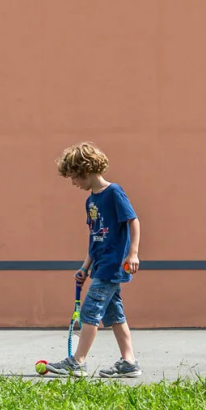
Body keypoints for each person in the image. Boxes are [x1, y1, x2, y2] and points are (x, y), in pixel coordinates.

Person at [47, 141, 141, 378]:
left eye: (74, 177)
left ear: (86, 171)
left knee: (90, 311)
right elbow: (95, 236)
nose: (73, 183)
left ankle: (78, 362)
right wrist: (84, 267)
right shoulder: (91, 201)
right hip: (99, 265)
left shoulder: (114, 193)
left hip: (112, 265)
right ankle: (129, 362)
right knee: (114, 314)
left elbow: (133, 221)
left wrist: (134, 253)